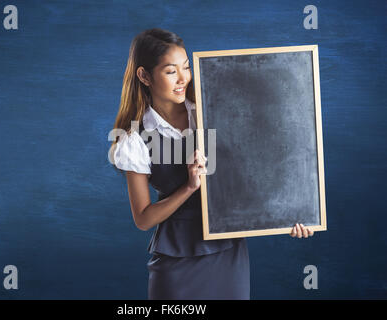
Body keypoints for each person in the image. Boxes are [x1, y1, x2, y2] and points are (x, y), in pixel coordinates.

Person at [109, 28, 314, 300]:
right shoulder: (134, 139)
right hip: (176, 261)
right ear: (144, 76)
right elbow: (143, 219)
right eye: (171, 71)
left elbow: (258, 169)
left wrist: (292, 212)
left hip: (228, 254)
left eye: (186, 68)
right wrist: (189, 187)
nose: (183, 79)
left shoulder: (217, 110)